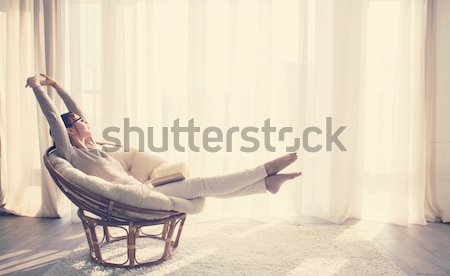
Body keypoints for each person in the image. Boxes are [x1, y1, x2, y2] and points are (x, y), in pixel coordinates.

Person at [26, 74, 301, 200]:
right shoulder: (71, 153)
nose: (85, 120)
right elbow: (55, 119)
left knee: (202, 190)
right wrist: (38, 88)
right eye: (79, 122)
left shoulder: (94, 147)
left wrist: (58, 86)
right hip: (132, 197)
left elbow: (75, 111)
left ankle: (264, 185)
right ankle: (264, 171)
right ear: (69, 131)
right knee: (200, 185)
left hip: (143, 190)